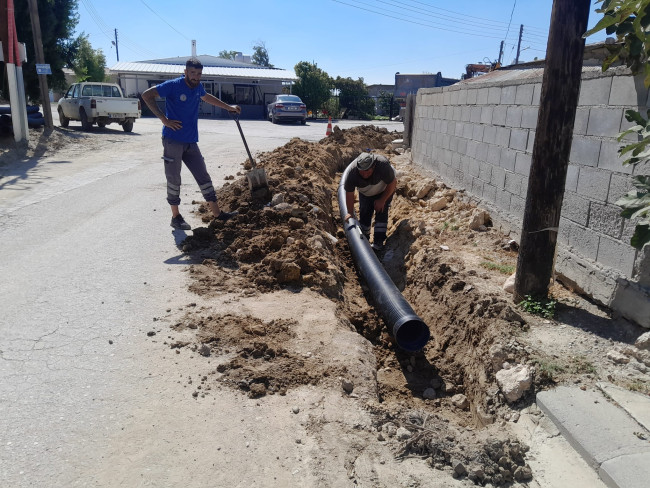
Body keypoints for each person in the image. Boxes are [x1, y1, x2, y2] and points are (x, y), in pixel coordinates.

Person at [141, 57, 239, 230]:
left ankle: (217, 214)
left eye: (199, 74)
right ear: (185, 72)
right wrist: (164, 119)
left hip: (191, 141)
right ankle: (176, 217)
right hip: (173, 140)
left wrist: (228, 107)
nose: (195, 76)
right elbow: (147, 95)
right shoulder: (173, 85)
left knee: (203, 176)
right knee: (174, 178)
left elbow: (207, 97)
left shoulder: (198, 87)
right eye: (192, 73)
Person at [343, 152, 397, 251]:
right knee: (365, 212)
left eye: (368, 170)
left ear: (374, 166)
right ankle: (364, 240)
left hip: (383, 190)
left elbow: (393, 182)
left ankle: (378, 243)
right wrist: (350, 212)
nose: (364, 174)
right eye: (362, 171)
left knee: (381, 212)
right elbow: (349, 193)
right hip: (366, 193)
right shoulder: (352, 173)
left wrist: (382, 200)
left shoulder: (382, 165)